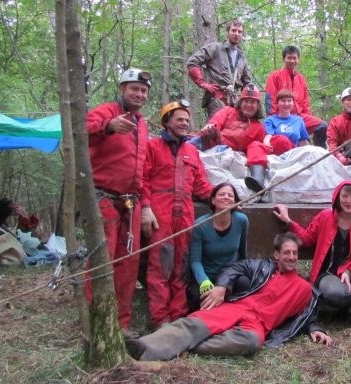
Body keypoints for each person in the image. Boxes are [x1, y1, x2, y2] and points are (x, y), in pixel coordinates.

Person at [125, 232, 333, 361]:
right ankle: (145, 347)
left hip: (257, 325)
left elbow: (307, 315)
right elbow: (235, 267)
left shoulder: (305, 289)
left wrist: (316, 330)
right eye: (287, 252)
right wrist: (222, 286)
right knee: (194, 324)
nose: (292, 257)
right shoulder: (260, 267)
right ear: (277, 254)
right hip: (236, 308)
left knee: (252, 343)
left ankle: (186, 345)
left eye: (295, 253)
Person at [86, 68, 151, 337]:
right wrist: (108, 126)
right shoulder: (105, 111)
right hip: (104, 198)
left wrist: (145, 204)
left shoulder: (143, 124)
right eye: (134, 88)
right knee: (102, 262)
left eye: (144, 91)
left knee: (128, 265)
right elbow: (81, 131)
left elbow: (142, 170)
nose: (139, 94)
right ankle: (96, 322)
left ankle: (121, 324)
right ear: (122, 88)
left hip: (130, 204)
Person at [141, 100, 214, 330]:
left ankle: (179, 315)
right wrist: (145, 207)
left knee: (182, 267)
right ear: (167, 122)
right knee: (160, 267)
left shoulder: (192, 152)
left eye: (186, 119)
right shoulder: (152, 147)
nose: (184, 123)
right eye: (179, 119)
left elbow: (202, 186)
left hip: (185, 215)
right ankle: (160, 319)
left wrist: (223, 198)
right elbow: (141, 180)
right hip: (160, 213)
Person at [273, 180, 351, 325]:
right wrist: (288, 221)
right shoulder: (325, 216)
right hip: (328, 273)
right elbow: (307, 239)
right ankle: (343, 306)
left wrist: (349, 271)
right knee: (337, 294)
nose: (349, 201)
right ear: (337, 197)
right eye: (344, 196)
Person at [190, 83, 293, 193]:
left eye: (252, 102)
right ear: (240, 102)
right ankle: (184, 151)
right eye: (246, 101)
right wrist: (210, 127)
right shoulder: (228, 111)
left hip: (227, 152)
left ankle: (258, 180)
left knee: (273, 142)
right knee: (205, 134)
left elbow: (258, 149)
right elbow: (216, 122)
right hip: (208, 141)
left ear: (258, 106)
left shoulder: (258, 128)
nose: (249, 105)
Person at [188, 183, 248, 312]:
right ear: (213, 200)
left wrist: (242, 271)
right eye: (221, 194)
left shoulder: (242, 221)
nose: (226, 197)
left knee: (245, 284)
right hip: (208, 275)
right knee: (195, 296)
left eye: (230, 195)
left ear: (235, 202)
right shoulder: (200, 225)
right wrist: (203, 280)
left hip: (229, 274)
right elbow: (195, 261)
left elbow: (242, 252)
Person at [264, 45, 328, 147]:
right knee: (286, 139)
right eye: (289, 58)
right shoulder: (275, 76)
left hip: (299, 117)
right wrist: (273, 120)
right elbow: (269, 99)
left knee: (322, 125)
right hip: (281, 118)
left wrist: (306, 117)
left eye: (295, 58)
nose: (292, 61)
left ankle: (318, 154)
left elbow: (305, 102)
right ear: (284, 59)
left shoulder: (301, 79)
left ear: (298, 59)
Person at [187, 19, 251, 118]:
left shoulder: (241, 57)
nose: (237, 34)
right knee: (215, 130)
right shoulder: (215, 48)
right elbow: (192, 62)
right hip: (217, 99)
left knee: (234, 131)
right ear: (227, 32)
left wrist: (249, 101)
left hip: (235, 102)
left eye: (240, 31)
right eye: (233, 30)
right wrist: (202, 83)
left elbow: (246, 82)